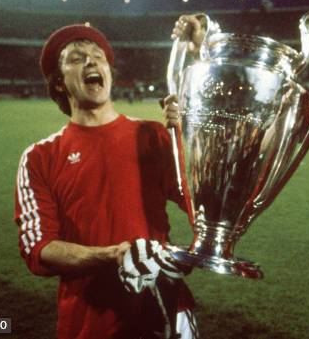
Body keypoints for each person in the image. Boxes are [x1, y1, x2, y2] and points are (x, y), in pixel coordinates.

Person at [14, 24, 198, 339]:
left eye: (98, 57)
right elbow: (39, 248)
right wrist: (111, 255)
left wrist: (196, 133)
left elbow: (202, 200)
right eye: (76, 58)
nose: (91, 62)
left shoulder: (153, 136)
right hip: (88, 325)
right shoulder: (39, 157)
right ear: (58, 82)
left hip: (165, 312)